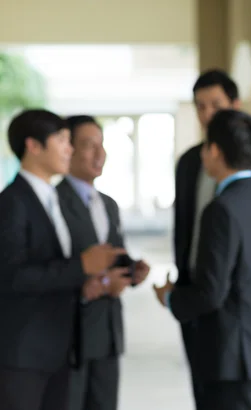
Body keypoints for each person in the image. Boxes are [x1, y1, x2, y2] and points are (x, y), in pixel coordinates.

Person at [154, 109, 251, 410]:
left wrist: (171, 298)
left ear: (213, 150)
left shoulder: (221, 209)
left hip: (232, 360)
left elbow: (211, 292)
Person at [0, 109, 125, 410]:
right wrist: (81, 266)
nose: (69, 150)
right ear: (33, 146)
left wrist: (86, 286)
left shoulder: (51, 199)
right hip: (25, 356)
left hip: (61, 349)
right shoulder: (13, 202)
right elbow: (11, 276)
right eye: (62, 140)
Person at [56, 115, 150, 410]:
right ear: (67, 149)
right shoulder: (53, 201)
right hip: (69, 336)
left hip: (108, 333)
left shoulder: (108, 204)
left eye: (102, 144)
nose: (100, 153)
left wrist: (132, 270)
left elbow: (113, 256)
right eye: (89, 145)